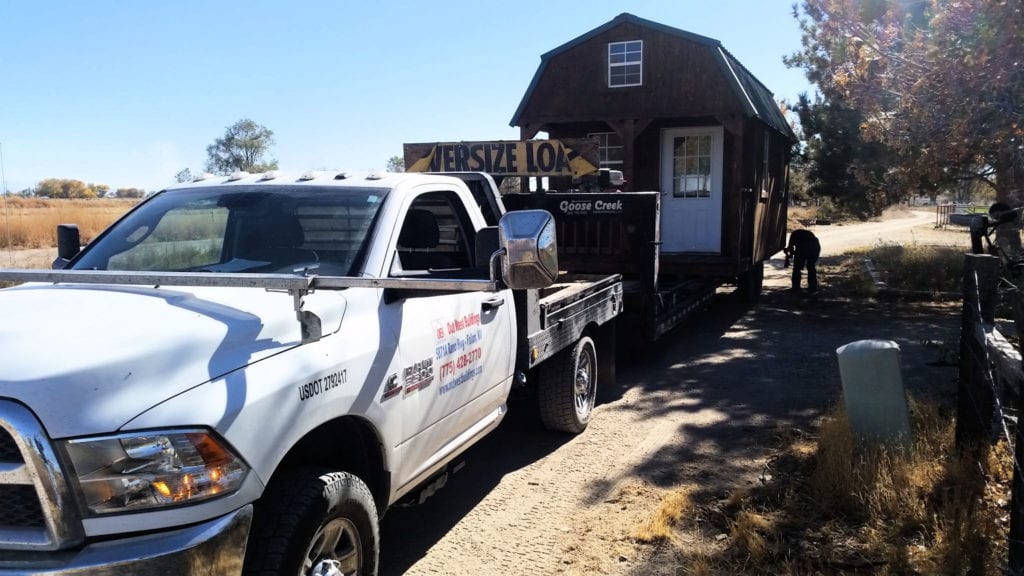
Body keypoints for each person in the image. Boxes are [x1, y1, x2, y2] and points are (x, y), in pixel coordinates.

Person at [784, 229, 821, 294]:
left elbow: (791, 248)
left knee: (797, 268)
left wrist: (788, 254)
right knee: (811, 266)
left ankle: (796, 288)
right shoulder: (805, 234)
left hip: (804, 246)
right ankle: (813, 287)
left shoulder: (793, 235)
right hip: (815, 246)